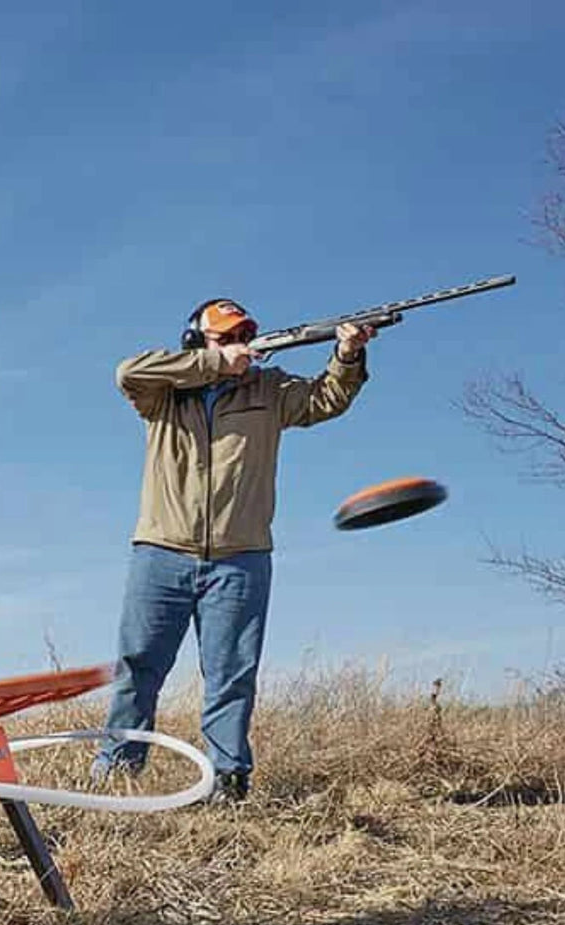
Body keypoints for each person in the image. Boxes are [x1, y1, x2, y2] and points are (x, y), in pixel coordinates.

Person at [91, 297, 374, 803]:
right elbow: (126, 372)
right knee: (138, 668)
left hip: (241, 557)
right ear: (196, 341)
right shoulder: (165, 394)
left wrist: (348, 355)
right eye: (225, 337)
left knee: (230, 677)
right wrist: (213, 363)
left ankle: (227, 781)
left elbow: (325, 400)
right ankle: (117, 773)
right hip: (160, 552)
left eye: (243, 335)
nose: (239, 345)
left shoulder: (270, 388)